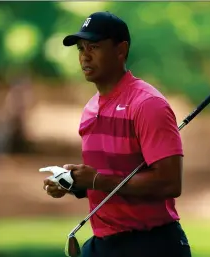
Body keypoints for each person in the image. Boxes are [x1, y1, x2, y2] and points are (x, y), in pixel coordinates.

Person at [43, 11, 192, 257]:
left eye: (94, 47)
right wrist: (73, 183)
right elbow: (109, 178)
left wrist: (96, 180)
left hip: (151, 245)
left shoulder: (148, 104)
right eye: (81, 48)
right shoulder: (90, 109)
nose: (84, 56)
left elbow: (170, 182)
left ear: (121, 50)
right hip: (105, 243)